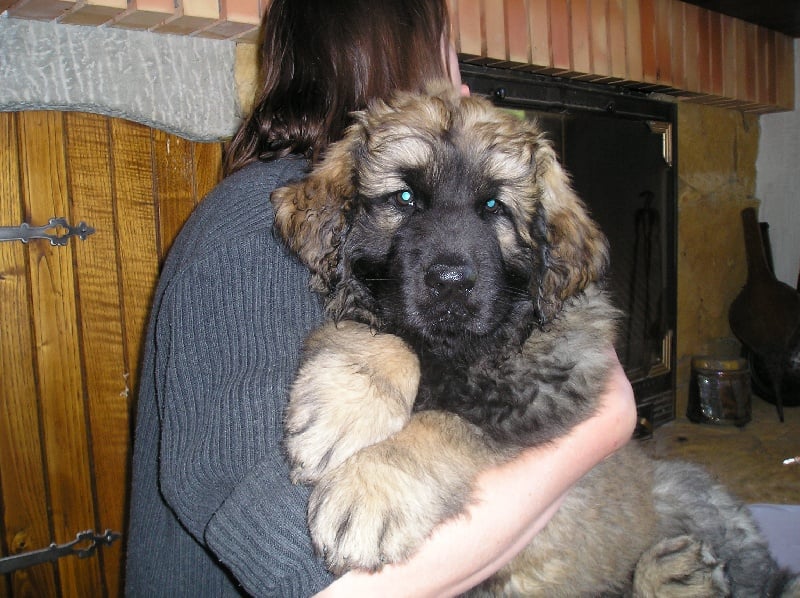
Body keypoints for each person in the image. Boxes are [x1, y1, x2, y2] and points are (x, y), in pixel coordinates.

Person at [125, 0, 637, 595]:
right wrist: (598, 428)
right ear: (399, 48)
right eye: (449, 47)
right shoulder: (249, 233)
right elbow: (326, 579)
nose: (461, 75)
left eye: (494, 207)